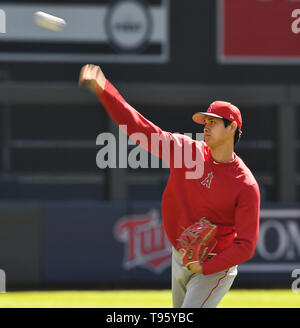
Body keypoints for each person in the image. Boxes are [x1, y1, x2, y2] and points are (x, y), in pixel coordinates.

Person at [78, 64, 260, 308]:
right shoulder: (186, 152)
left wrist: (206, 266)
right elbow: (140, 128)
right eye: (205, 121)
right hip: (181, 254)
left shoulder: (244, 184)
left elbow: (246, 245)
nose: (206, 126)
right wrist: (105, 90)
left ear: (233, 127)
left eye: (214, 122)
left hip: (216, 266)